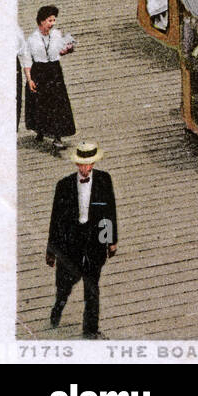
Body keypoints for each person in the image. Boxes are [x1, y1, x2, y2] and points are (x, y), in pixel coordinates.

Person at [47, 140, 118, 339]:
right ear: (76, 164)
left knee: (92, 287)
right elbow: (56, 220)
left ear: (94, 163)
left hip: (94, 240)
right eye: (81, 164)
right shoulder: (64, 186)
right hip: (71, 241)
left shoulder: (104, 181)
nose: (85, 168)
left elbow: (108, 212)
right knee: (66, 284)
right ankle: (58, 307)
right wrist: (51, 250)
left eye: (88, 164)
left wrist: (111, 240)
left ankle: (91, 330)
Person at [25, 5, 76, 152]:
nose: (52, 23)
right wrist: (29, 79)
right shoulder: (32, 39)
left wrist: (67, 50)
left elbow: (59, 51)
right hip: (39, 71)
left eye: (54, 20)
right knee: (41, 103)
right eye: (49, 20)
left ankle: (57, 137)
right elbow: (27, 60)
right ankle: (40, 130)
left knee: (57, 103)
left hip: (54, 70)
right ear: (41, 21)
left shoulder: (56, 35)